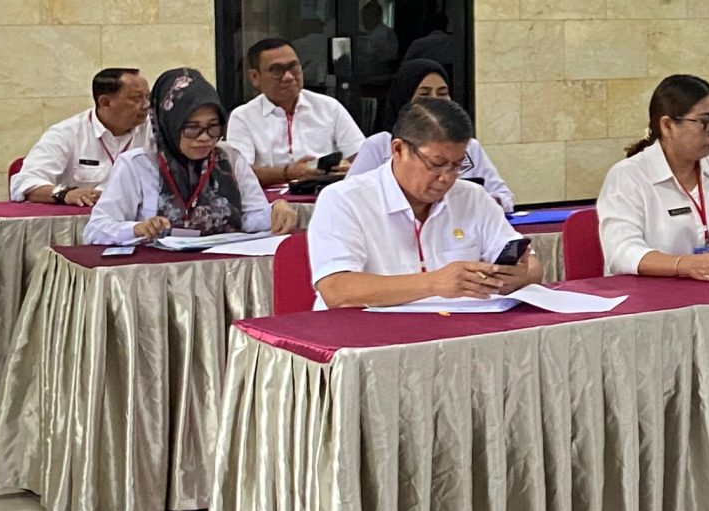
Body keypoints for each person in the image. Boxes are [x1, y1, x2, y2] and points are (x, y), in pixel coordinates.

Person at [308, 97, 533, 308]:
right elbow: (336, 289)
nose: (446, 177)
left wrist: (518, 276)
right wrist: (434, 283)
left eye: (457, 165)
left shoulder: (473, 197)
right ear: (398, 149)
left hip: (457, 326)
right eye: (436, 164)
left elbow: (531, 264)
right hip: (369, 331)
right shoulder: (343, 199)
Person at [85, 68, 289, 244]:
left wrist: (274, 211)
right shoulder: (137, 165)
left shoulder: (228, 157)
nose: (205, 138)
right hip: (159, 269)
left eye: (213, 127)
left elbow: (248, 217)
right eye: (192, 128)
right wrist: (136, 229)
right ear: (170, 125)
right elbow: (95, 230)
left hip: (224, 263)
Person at [596, 73, 709, 279]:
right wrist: (683, 265)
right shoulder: (628, 176)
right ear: (667, 126)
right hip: (649, 293)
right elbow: (622, 252)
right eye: (705, 122)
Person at [342, 58, 515, 212]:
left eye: (442, 93)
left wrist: (474, 202)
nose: (435, 100)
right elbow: (352, 198)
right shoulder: (379, 145)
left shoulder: (469, 146)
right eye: (424, 94)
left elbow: (504, 197)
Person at [227, 36, 366, 193]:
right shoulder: (242, 117)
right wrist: (289, 173)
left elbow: (363, 158)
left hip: (325, 197)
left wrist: (348, 167)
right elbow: (239, 174)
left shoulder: (328, 107)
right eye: (277, 70)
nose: (288, 77)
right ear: (255, 77)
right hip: (270, 203)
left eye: (293, 67)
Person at [12, 67, 151, 205]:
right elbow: (25, 182)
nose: (146, 105)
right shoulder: (66, 133)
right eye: (136, 98)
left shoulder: (156, 129)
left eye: (148, 97)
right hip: (82, 216)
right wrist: (65, 194)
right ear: (105, 102)